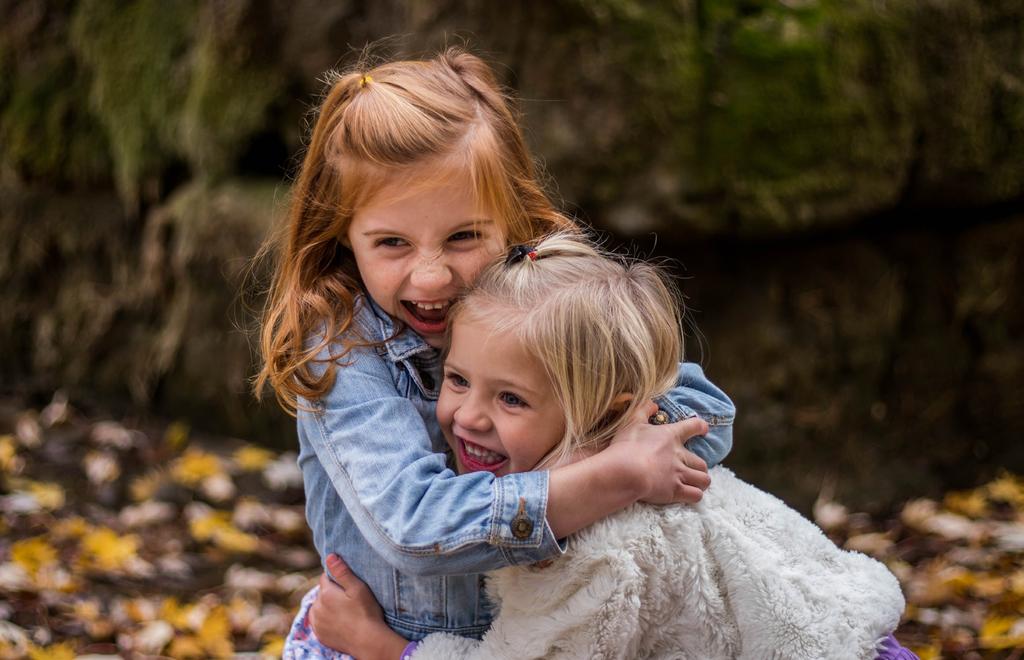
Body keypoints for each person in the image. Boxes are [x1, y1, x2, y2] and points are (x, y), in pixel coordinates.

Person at [255, 49, 736, 654]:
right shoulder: (342, 349)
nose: (431, 279)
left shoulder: (541, 303)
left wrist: (600, 447)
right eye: (392, 243)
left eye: (463, 236)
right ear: (342, 236)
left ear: (509, 220)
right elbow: (417, 526)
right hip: (396, 644)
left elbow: (705, 415)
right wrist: (610, 475)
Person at [308, 233, 917, 660]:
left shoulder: (604, 547)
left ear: (611, 413)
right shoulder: (633, 460)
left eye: (512, 400)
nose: (468, 416)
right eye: (458, 379)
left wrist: (383, 649)